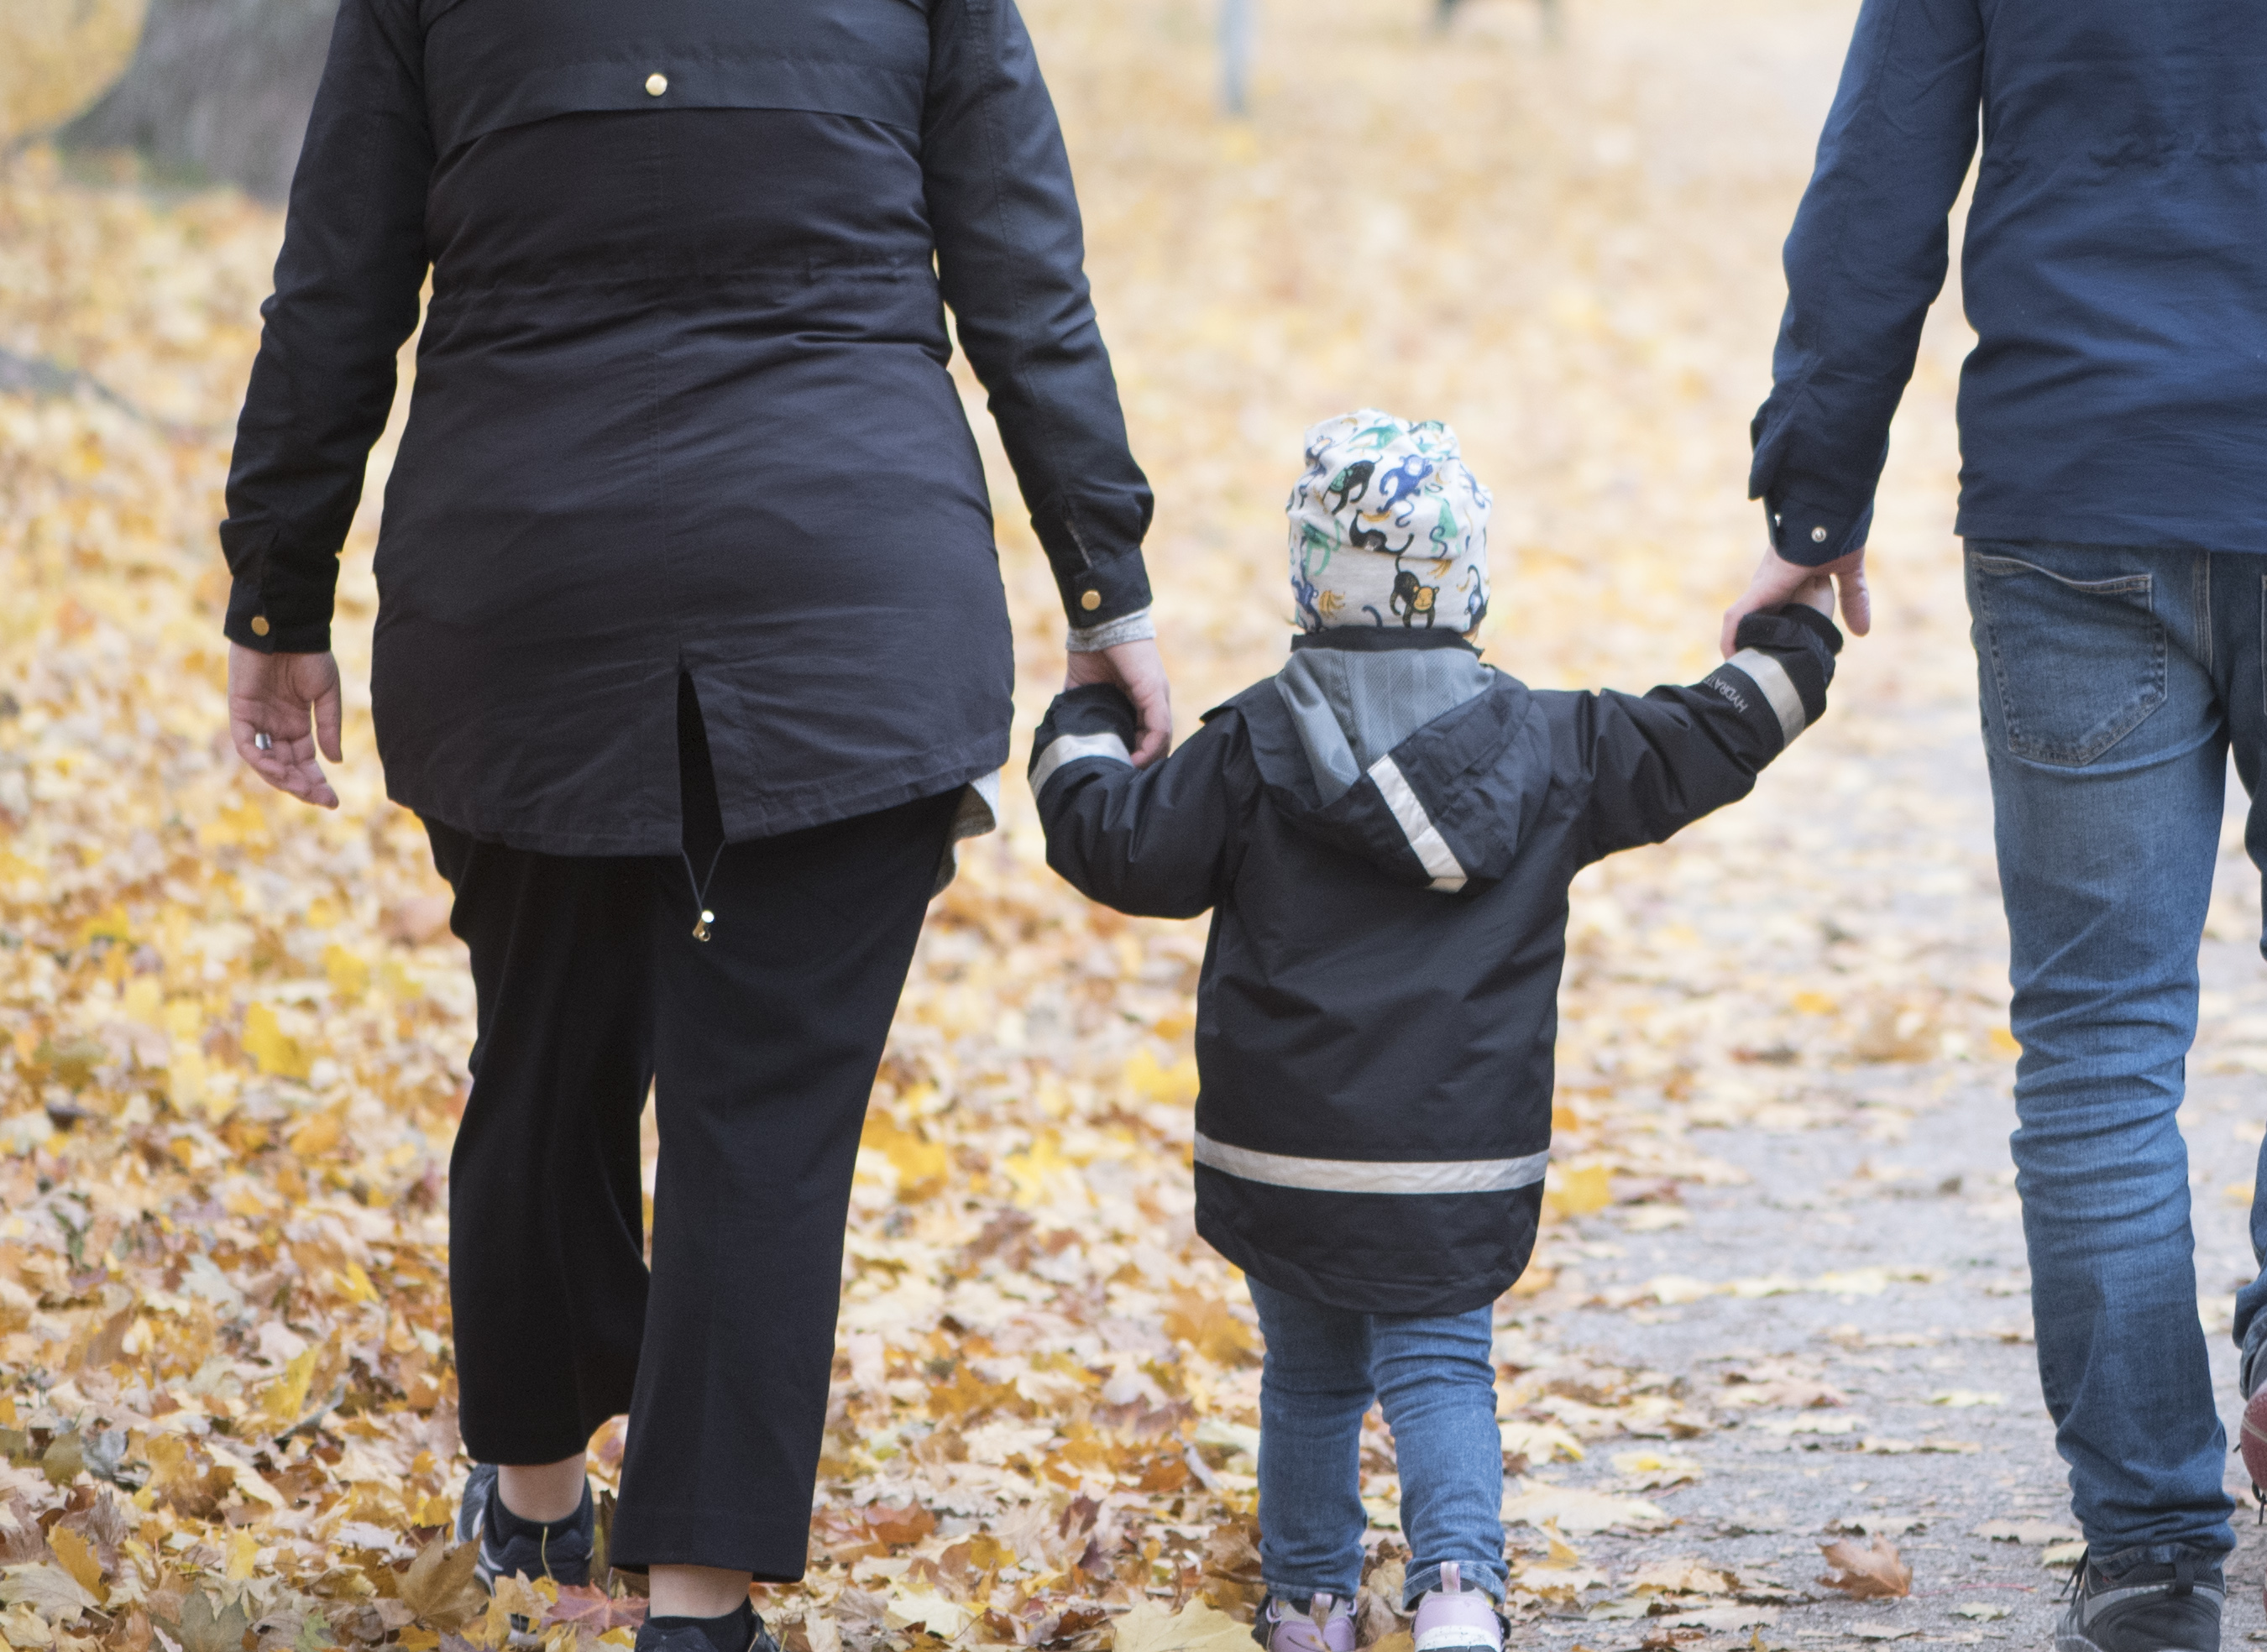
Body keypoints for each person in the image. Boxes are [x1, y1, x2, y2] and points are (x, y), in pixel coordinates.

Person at [216, 2, 1170, 1648]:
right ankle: (695, 1603)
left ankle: (528, 1513)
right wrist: (1105, 588)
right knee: (765, 1124)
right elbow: (1025, 278)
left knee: (541, 1049)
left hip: (527, 599)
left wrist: (276, 594)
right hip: (843, 599)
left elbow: (336, 286)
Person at [1720, 6, 2267, 1652]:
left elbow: (1879, 162)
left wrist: (1811, 495)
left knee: (2095, 1031)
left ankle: (2140, 1554)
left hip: (2073, 476)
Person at [1026, 411, 1841, 1652]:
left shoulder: (1246, 747)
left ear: (1307, 576)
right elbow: (1716, 734)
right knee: (1440, 1366)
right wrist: (1791, 623)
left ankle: (1306, 1603)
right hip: (1456, 1161)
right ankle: (1458, 1591)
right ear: (1468, 576)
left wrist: (1082, 716)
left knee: (1307, 1375)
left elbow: (1112, 841)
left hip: (1282, 1159)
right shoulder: (1558, 747)